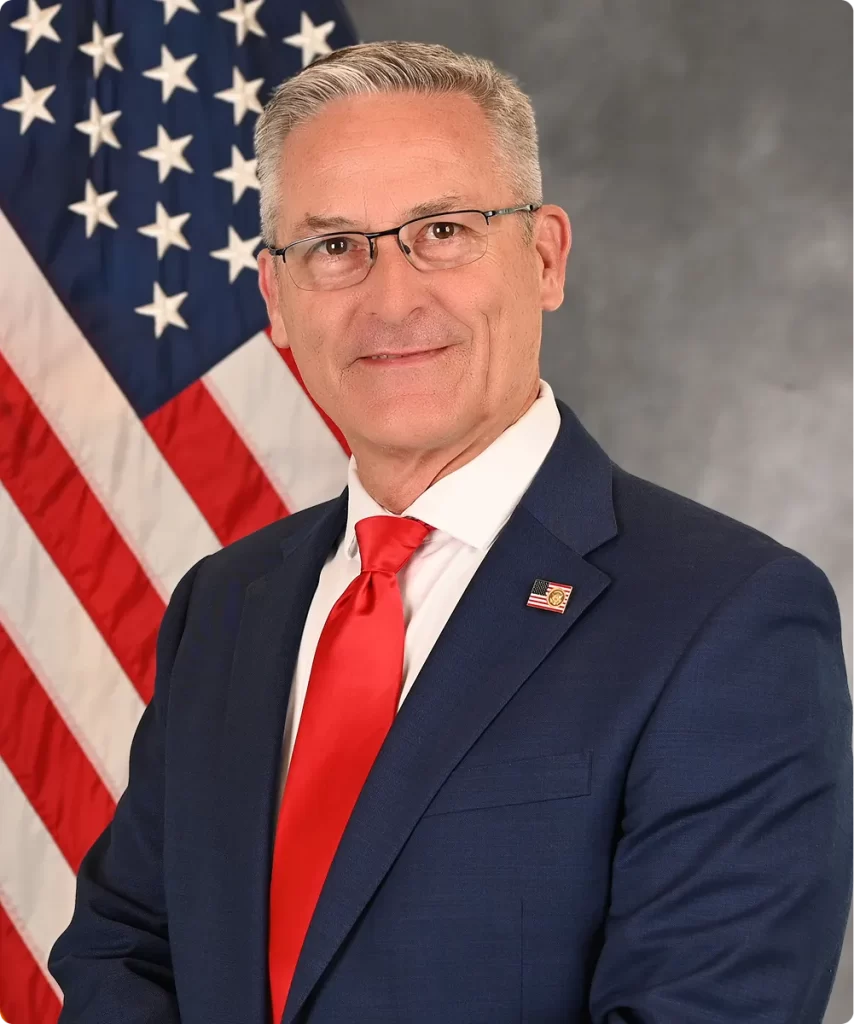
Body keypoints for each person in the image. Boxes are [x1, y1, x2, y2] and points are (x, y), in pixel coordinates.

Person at [49, 40, 854, 1024]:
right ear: (276, 299)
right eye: (334, 247)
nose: (391, 299)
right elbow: (124, 947)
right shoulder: (224, 603)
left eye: (442, 230)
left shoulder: (728, 618)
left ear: (544, 257)